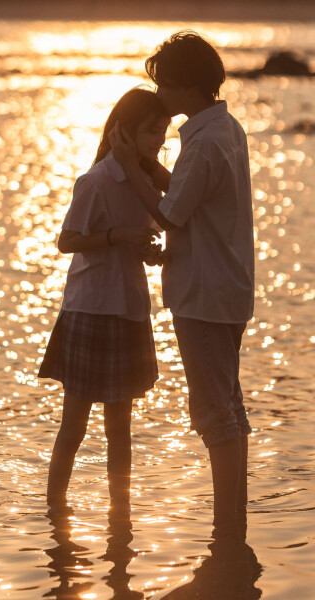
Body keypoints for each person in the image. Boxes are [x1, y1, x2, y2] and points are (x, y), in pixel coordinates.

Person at [109, 31, 254, 539]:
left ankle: (226, 529)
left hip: (204, 293)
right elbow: (194, 196)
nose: (161, 98)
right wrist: (153, 168)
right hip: (228, 287)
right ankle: (234, 521)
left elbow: (170, 217)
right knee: (229, 408)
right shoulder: (226, 130)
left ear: (189, 87)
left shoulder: (203, 142)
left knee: (215, 413)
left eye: (165, 86)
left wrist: (131, 167)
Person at [38, 88, 170, 512]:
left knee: (121, 429)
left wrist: (148, 251)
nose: (159, 140)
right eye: (151, 131)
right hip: (90, 310)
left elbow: (145, 234)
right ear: (124, 132)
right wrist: (118, 236)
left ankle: (121, 515)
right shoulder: (95, 181)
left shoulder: (146, 182)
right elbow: (66, 241)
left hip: (130, 309)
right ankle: (55, 512)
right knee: (73, 427)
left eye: (163, 132)